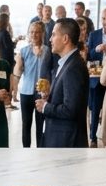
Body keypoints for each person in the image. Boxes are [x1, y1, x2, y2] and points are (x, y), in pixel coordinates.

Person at [36, 18, 89, 147]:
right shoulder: (67, 62)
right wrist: (50, 97)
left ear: (65, 39)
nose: (50, 39)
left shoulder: (73, 67)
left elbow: (70, 110)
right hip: (61, 138)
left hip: (67, 141)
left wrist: (45, 107)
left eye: (54, 35)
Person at [13, 20, 50, 148]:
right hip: (26, 92)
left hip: (42, 94)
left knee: (40, 125)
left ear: (42, 34)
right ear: (28, 34)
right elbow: (17, 71)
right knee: (26, 124)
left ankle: (40, 150)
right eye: (32, 32)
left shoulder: (48, 51)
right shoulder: (23, 51)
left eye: (37, 32)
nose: (34, 35)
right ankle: (26, 150)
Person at [87, 8, 106, 146]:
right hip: (97, 78)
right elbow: (89, 55)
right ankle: (93, 137)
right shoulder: (94, 34)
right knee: (95, 109)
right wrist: (97, 49)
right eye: (104, 19)